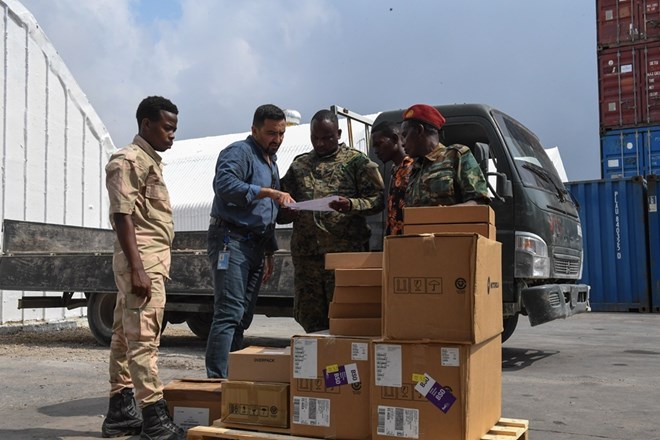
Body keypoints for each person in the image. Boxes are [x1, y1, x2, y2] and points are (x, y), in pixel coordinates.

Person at [103, 96, 184, 440]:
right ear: (146, 124)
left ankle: (120, 413)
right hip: (142, 262)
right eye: (167, 128)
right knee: (144, 340)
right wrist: (138, 269)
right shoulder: (128, 160)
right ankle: (155, 420)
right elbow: (122, 215)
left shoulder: (151, 162)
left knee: (124, 337)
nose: (172, 135)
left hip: (149, 261)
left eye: (175, 129)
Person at [205, 104, 294, 378]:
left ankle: (232, 377)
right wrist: (268, 192)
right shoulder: (239, 152)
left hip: (256, 246)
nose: (277, 139)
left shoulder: (271, 162)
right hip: (231, 241)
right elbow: (224, 186)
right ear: (254, 129)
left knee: (242, 316)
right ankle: (217, 382)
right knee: (229, 312)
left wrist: (269, 251)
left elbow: (265, 214)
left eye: (281, 134)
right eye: (271, 133)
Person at [279, 109, 384, 333]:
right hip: (308, 259)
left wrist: (352, 204)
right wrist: (286, 213)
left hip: (344, 256)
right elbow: (282, 203)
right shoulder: (299, 166)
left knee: (347, 315)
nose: (320, 143)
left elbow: (378, 200)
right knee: (310, 317)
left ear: (338, 134)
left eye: (327, 137)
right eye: (315, 138)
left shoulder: (356, 162)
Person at [400, 104, 490, 207]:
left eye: (405, 135)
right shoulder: (416, 169)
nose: (403, 143)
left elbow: (479, 202)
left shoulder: (456, 155)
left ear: (419, 130)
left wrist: (444, 213)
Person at [371, 121, 414, 235]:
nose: (376, 151)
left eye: (379, 144)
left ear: (395, 139)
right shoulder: (395, 169)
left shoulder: (413, 167)